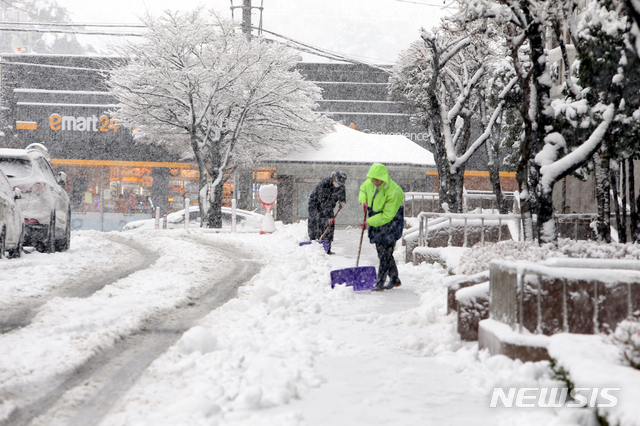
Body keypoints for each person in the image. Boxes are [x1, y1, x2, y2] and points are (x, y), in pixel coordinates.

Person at [358, 163, 404, 291]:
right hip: (376, 218)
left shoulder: (393, 191)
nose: (374, 181)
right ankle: (394, 278)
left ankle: (380, 283)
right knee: (383, 253)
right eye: (373, 178)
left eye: (377, 179)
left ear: (383, 178)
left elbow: (387, 215)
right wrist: (363, 200)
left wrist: (369, 222)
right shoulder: (370, 182)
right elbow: (363, 190)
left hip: (392, 222)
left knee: (385, 255)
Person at [307, 170, 347, 254]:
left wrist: (342, 201)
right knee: (317, 224)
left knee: (329, 226)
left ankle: (327, 248)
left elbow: (342, 193)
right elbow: (324, 202)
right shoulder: (324, 184)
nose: (338, 185)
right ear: (334, 177)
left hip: (329, 207)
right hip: (316, 206)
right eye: (337, 182)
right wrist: (329, 216)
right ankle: (315, 246)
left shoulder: (340, 185)